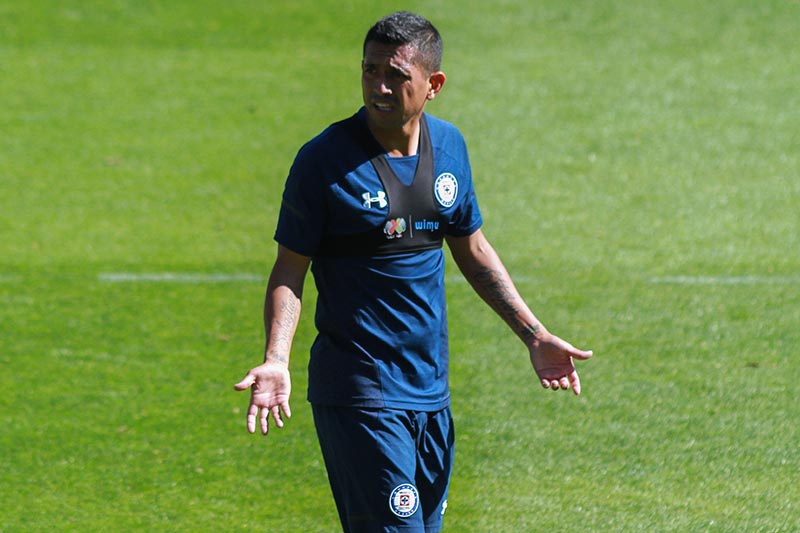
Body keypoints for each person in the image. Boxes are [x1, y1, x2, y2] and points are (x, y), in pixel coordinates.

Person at [234, 11, 593, 533]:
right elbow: (290, 268)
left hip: (430, 392)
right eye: (369, 70)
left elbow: (472, 249)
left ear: (433, 85)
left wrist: (533, 335)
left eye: (396, 75)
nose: (379, 86)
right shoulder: (323, 161)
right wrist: (276, 358)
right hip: (361, 391)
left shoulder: (449, 148)